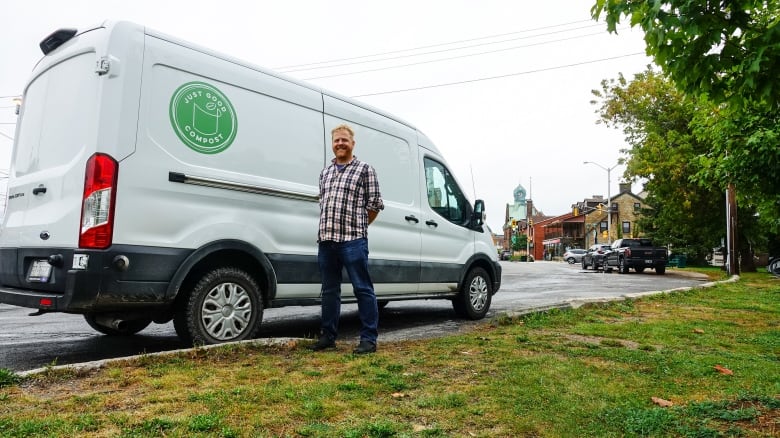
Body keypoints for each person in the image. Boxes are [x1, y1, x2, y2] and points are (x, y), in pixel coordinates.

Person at [309, 124, 384, 354]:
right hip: (327, 241)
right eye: (336, 141)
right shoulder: (325, 172)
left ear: (352, 143)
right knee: (330, 290)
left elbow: (374, 205)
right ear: (332, 144)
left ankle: (368, 340)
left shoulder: (364, 170)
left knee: (363, 289)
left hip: (353, 240)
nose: (340, 144)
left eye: (344, 140)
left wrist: (358, 227)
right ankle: (328, 337)